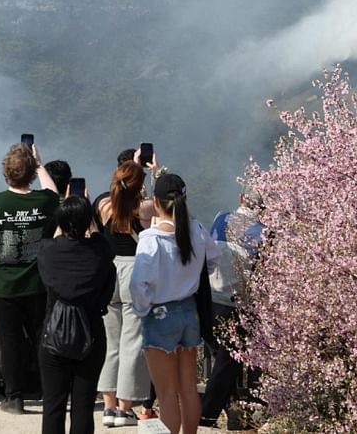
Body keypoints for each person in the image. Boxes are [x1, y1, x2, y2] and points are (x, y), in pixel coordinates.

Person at [0, 143, 60, 415]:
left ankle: (14, 397)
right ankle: (49, 392)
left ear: (6, 173)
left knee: (9, 342)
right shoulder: (44, 202)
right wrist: (41, 165)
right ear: (30, 173)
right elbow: (54, 193)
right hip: (38, 283)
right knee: (41, 338)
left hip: (3, 285)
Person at [130, 174, 220, 434]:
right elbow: (212, 261)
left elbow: (139, 284)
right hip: (189, 311)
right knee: (188, 390)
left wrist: (143, 309)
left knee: (167, 394)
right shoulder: (197, 229)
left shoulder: (151, 238)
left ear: (155, 202)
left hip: (160, 314)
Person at [38, 197, 116, 434]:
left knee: (53, 404)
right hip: (90, 333)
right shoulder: (100, 253)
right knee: (83, 404)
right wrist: (91, 223)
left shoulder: (48, 252)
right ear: (89, 222)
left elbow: (49, 237)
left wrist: (63, 217)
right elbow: (102, 241)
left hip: (53, 334)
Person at [200, 189, 264, 429]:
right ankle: (208, 416)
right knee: (229, 362)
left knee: (228, 361)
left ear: (240, 198)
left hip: (211, 299)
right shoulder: (264, 231)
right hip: (237, 303)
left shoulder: (220, 217)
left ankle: (234, 416)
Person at [95, 161, 153, 427]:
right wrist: (156, 172)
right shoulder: (143, 209)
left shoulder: (104, 206)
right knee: (132, 342)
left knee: (111, 343)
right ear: (139, 185)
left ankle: (107, 407)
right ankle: (125, 408)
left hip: (109, 271)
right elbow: (172, 206)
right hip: (133, 270)